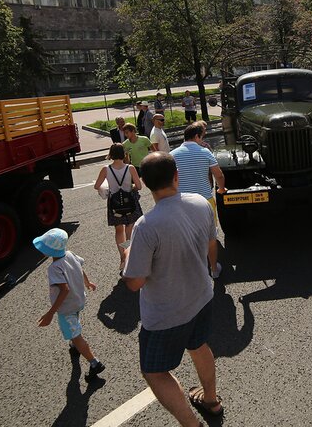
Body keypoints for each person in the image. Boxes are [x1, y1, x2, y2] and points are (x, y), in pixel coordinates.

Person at [124, 152, 224, 426]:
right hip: (202, 296)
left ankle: (191, 424)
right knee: (198, 344)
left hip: (167, 314)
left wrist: (131, 253)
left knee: (155, 372)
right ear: (176, 176)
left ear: (143, 183)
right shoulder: (201, 204)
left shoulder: (146, 227)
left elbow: (134, 283)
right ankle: (211, 400)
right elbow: (209, 244)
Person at [34, 228, 105, 382]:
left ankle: (94, 363)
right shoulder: (71, 254)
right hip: (78, 300)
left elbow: (64, 290)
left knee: (75, 334)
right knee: (74, 324)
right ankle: (74, 347)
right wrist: (88, 283)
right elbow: (80, 268)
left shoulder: (54, 268)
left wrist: (50, 313)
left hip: (66, 308)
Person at [172, 125, 226, 276]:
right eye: (202, 136)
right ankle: (214, 269)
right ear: (196, 137)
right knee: (210, 237)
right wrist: (221, 189)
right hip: (205, 200)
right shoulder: (205, 152)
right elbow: (219, 175)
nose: (202, 140)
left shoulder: (172, 155)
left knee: (187, 236)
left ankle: (192, 270)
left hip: (181, 201)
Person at [94, 143, 143, 272]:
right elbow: (139, 186)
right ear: (123, 153)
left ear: (111, 154)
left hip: (114, 204)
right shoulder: (130, 168)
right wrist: (130, 187)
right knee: (129, 231)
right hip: (130, 202)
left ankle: (122, 257)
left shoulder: (106, 169)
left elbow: (96, 185)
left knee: (118, 231)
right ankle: (129, 255)